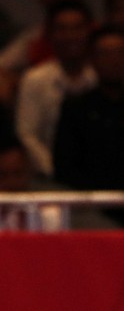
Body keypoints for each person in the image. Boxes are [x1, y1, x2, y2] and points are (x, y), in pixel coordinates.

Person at [14, 0, 97, 178]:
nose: (71, 36)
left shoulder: (101, 77)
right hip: (47, 177)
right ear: (50, 34)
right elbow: (27, 135)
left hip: (100, 175)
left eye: (77, 28)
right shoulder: (34, 79)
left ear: (89, 31)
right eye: (62, 29)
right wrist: (56, 168)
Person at [53, 24, 124, 226]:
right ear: (92, 60)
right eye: (106, 54)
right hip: (91, 210)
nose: (114, 61)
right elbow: (65, 167)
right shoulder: (76, 108)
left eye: (120, 53)